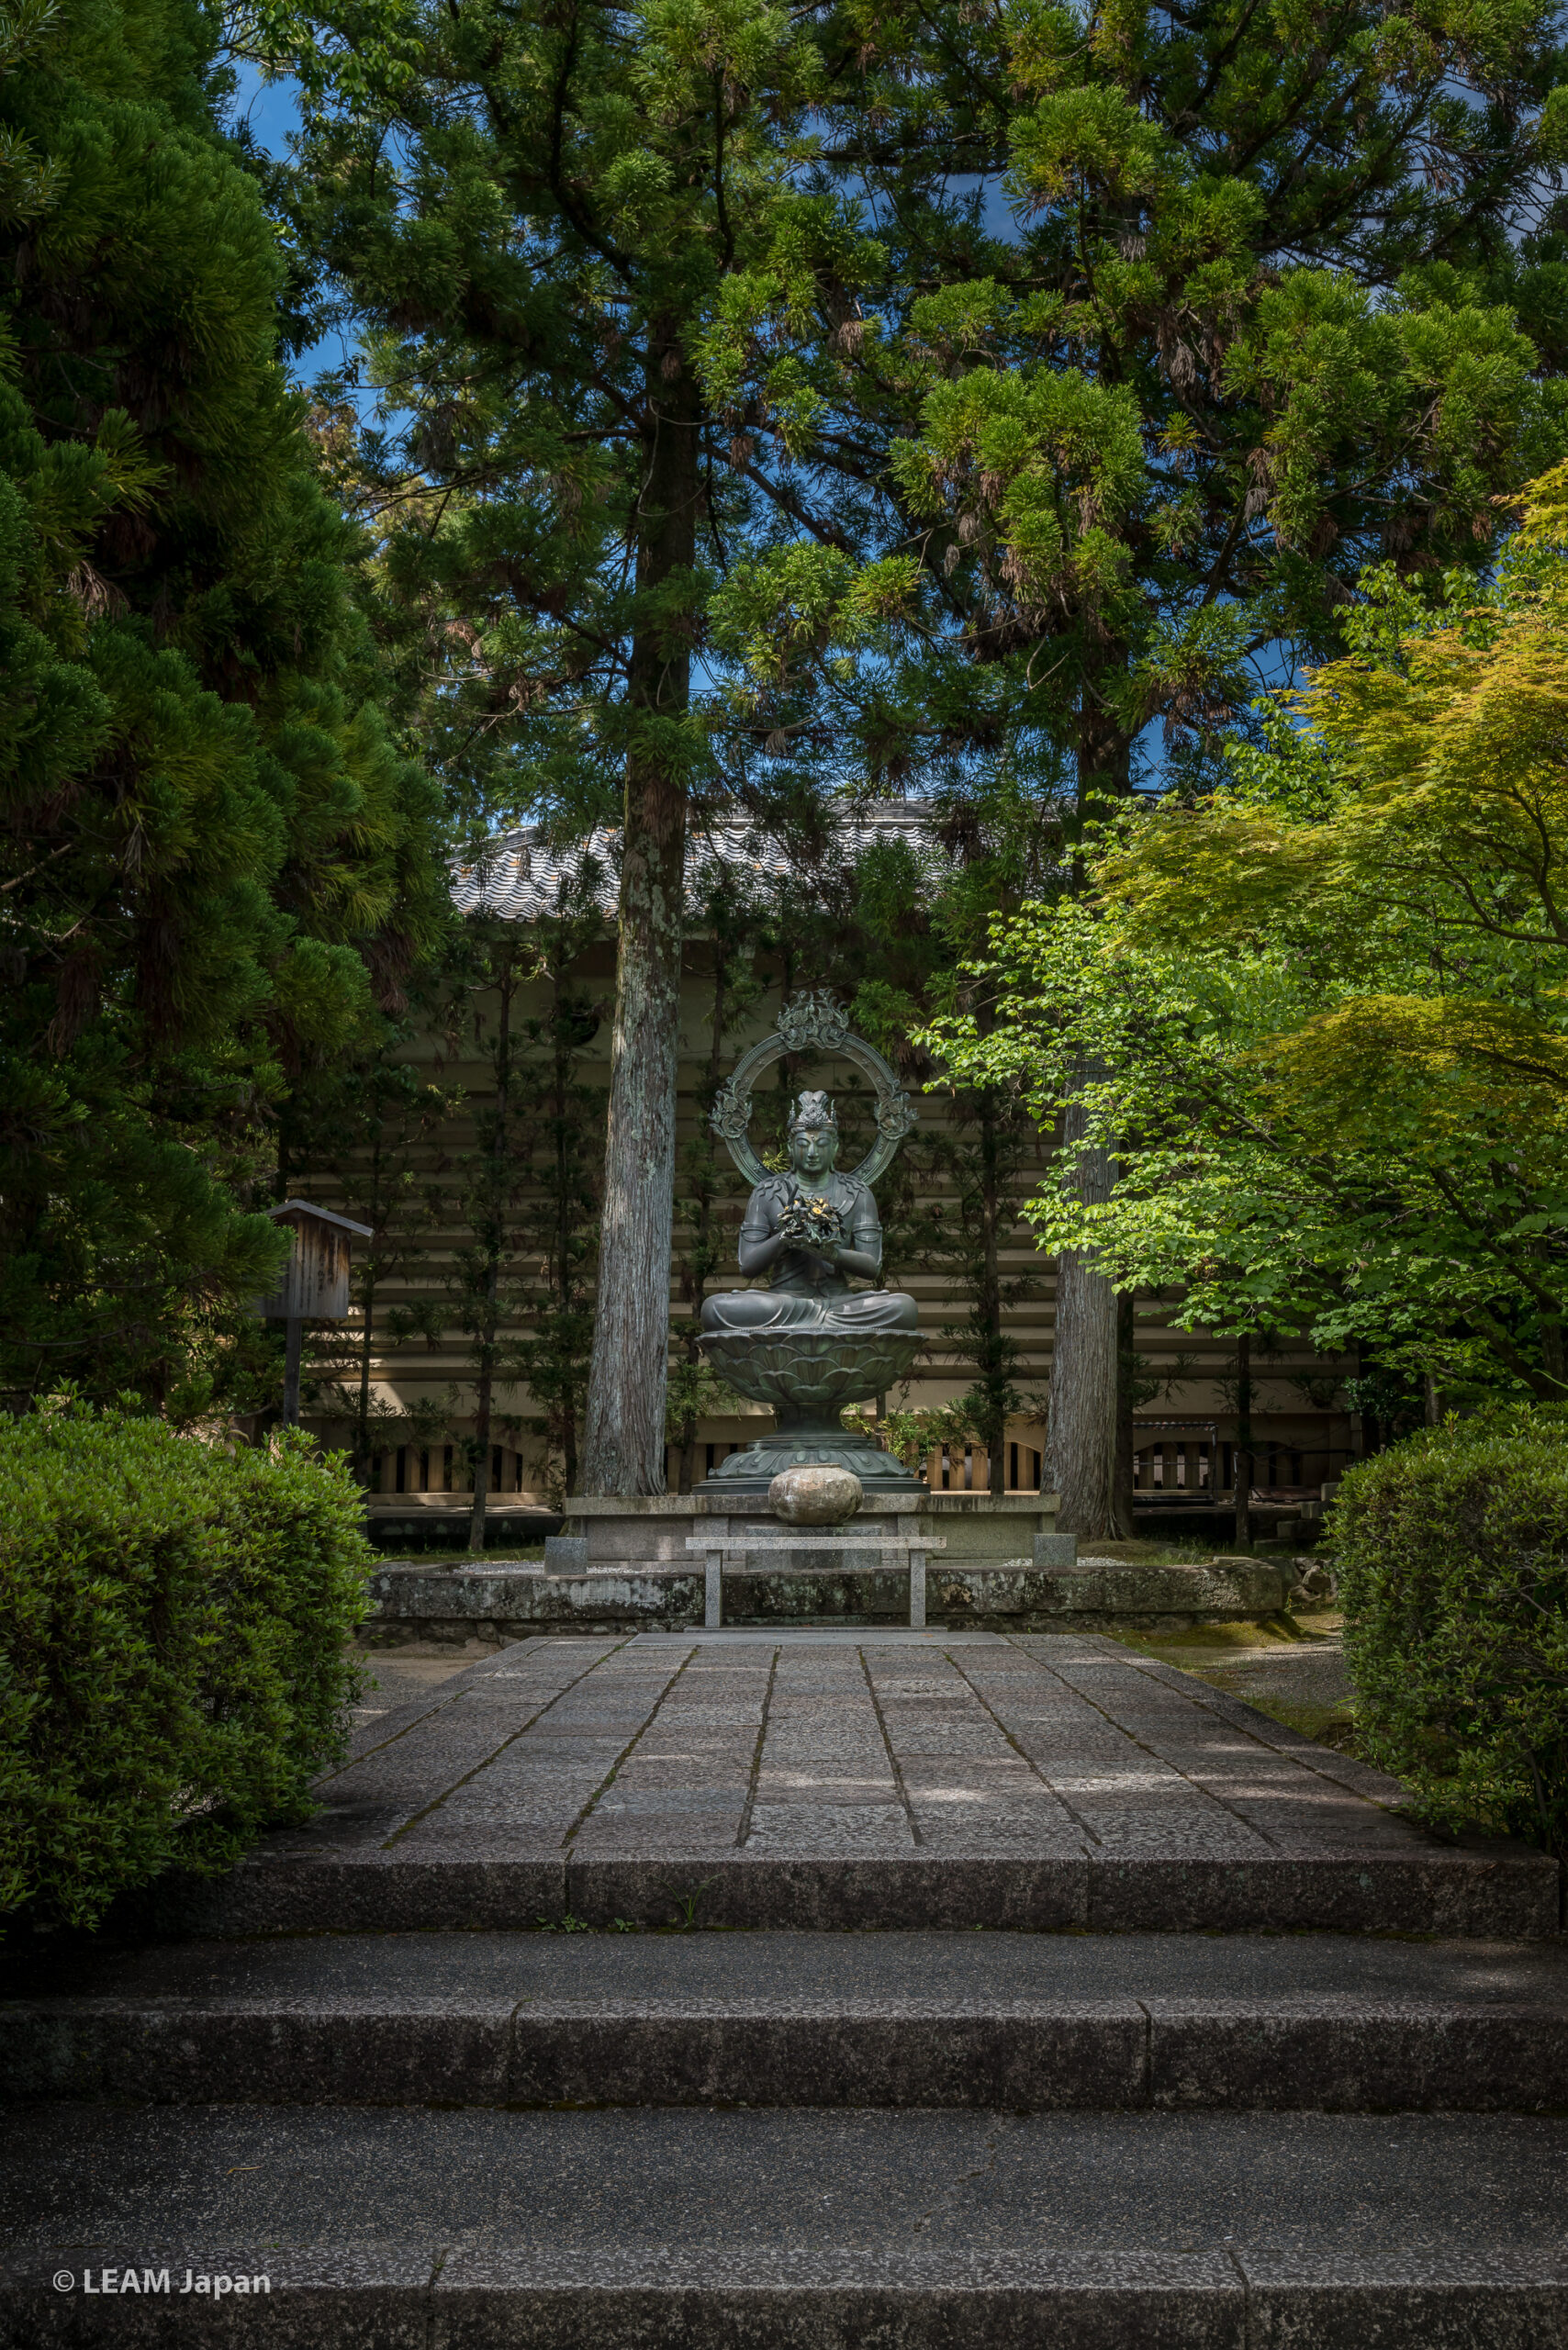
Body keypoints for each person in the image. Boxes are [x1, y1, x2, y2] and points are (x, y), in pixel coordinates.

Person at [700, 1091, 920, 1337]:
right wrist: (784, 1237)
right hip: (784, 1302)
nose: (813, 1152)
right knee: (715, 1309)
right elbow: (747, 1265)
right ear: (791, 1147)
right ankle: (816, 1323)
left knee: (903, 1307)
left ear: (835, 1147)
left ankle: (817, 1322)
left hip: (840, 1303)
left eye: (822, 1144)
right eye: (804, 1144)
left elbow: (872, 1267)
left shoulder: (858, 1193)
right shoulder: (767, 1192)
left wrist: (833, 1253)